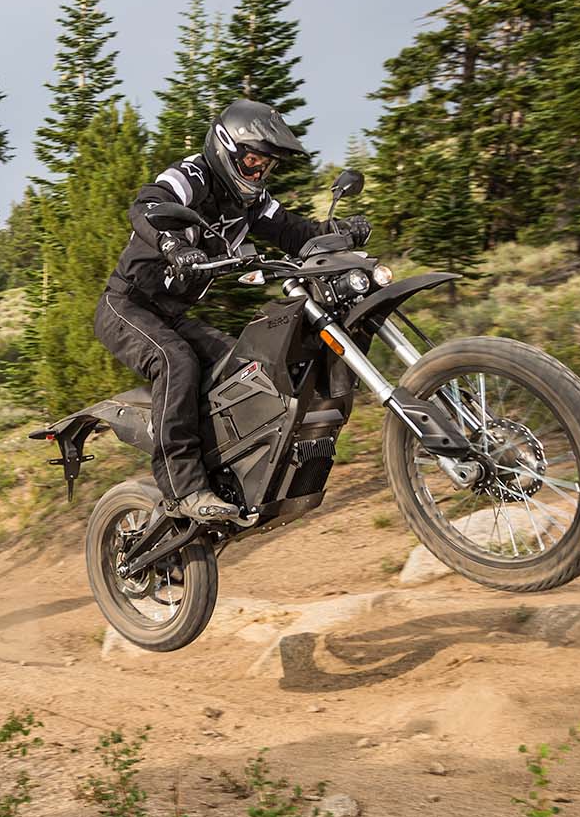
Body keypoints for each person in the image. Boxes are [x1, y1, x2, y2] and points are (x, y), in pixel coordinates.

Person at [93, 99, 371, 523]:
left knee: (244, 369)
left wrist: (338, 232)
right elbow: (146, 206)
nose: (258, 173)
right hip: (126, 305)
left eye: (266, 166)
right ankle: (184, 487)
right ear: (227, 148)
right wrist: (173, 245)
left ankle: (227, 474)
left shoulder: (251, 202)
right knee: (175, 360)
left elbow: (294, 232)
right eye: (253, 161)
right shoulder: (192, 176)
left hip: (173, 315)